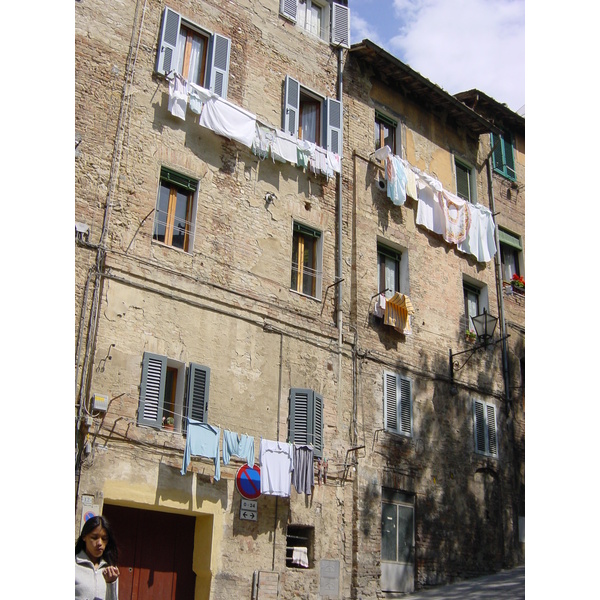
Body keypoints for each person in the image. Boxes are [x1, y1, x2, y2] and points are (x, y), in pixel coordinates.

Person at [75, 515, 120, 600]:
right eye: (94, 538)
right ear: (84, 537)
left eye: (104, 538)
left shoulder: (111, 570)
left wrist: (111, 583)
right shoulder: (75, 565)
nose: (99, 543)